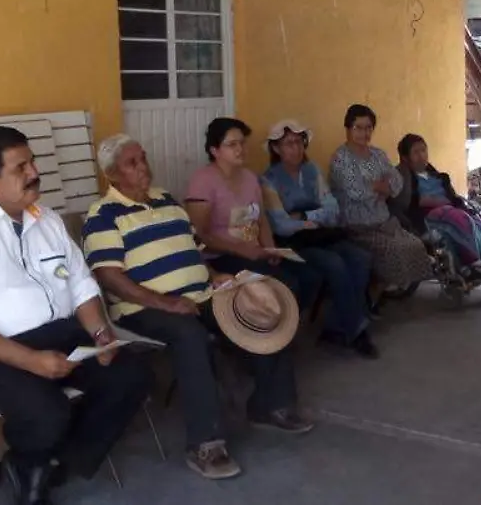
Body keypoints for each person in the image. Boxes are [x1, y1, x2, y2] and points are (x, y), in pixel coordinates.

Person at [0, 126, 152, 505]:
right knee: (46, 410)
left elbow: (81, 285)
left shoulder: (46, 220)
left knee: (131, 374)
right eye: (20, 167)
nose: (33, 172)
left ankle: (55, 459)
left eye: (33, 161)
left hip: (54, 335)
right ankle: (31, 466)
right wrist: (31, 361)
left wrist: (100, 335)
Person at [83, 135, 313, 480]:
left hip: (200, 294)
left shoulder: (166, 201)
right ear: (112, 175)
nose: (144, 166)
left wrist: (216, 274)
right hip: (141, 308)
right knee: (189, 335)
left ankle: (269, 404)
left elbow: (193, 250)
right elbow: (109, 277)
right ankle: (205, 443)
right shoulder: (103, 215)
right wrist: (165, 302)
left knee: (261, 305)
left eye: (143, 158)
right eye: (132, 163)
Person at [261, 119, 379, 359]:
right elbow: (281, 225)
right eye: (288, 144)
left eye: (299, 142)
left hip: (322, 235)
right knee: (333, 263)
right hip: (294, 243)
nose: (296, 148)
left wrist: (304, 216)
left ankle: (336, 327)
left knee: (360, 258)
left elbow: (332, 209)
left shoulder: (311, 171)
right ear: (276, 149)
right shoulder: (268, 180)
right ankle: (356, 331)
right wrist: (315, 218)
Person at [185, 117, 324, 313]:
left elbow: (262, 220)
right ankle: (269, 330)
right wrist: (240, 249)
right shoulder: (203, 181)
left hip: (255, 252)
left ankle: (286, 324)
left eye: (242, 143)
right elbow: (200, 235)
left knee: (311, 276)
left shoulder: (249, 177)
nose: (240, 149)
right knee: (286, 284)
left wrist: (270, 248)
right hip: (222, 256)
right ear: (214, 151)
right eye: (232, 144)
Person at [329, 104, 433, 299]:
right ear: (348, 129)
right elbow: (354, 191)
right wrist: (379, 187)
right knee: (394, 250)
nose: (364, 133)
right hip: (356, 226)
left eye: (368, 128)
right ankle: (372, 295)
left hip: (383, 221)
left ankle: (383, 289)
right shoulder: (340, 159)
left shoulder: (377, 155)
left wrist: (381, 187)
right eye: (358, 127)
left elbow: (396, 180)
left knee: (415, 245)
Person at [392, 133, 481, 280]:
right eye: (416, 152)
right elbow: (412, 202)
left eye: (424, 150)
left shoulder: (439, 177)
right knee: (459, 217)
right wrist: (437, 202)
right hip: (426, 218)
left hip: (448, 212)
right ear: (405, 158)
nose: (422, 155)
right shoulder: (406, 178)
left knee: (478, 223)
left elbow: (453, 199)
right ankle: (473, 262)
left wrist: (457, 206)